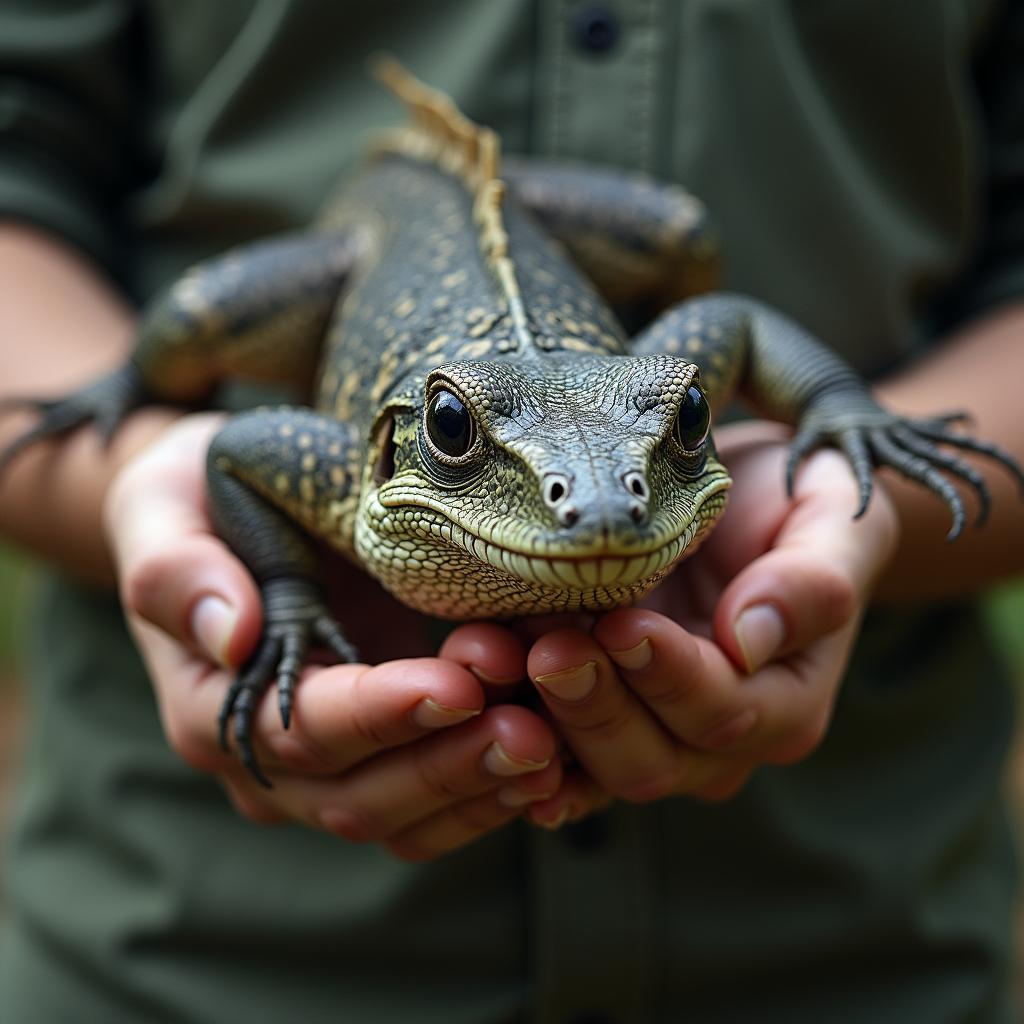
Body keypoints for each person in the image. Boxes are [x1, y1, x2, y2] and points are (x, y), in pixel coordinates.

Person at [0, 2, 1021, 1021]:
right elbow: (234, 451)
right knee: (190, 322)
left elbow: (728, 322)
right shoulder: (347, 471)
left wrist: (848, 422)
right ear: (405, 445)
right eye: (454, 437)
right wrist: (267, 572)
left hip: (866, 965)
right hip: (169, 966)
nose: (604, 517)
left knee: (680, 238)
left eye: (672, 429)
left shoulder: (650, 396)